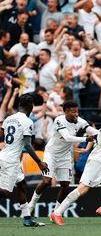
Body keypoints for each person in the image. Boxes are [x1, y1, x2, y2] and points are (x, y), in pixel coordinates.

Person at [28, 100, 98, 214]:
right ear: (66, 111)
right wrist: (85, 139)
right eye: (73, 112)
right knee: (46, 181)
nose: (76, 114)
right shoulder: (59, 120)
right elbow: (67, 137)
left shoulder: (80, 121)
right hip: (51, 154)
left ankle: (56, 213)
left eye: (77, 111)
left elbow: (93, 131)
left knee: (65, 185)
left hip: (65, 156)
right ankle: (31, 204)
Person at [0, 94, 48, 227]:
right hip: (10, 160)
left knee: (22, 185)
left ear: (19, 105)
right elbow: (27, 145)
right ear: (30, 107)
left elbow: (2, 135)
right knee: (5, 193)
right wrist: (39, 162)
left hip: (7, 156)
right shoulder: (28, 122)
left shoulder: (9, 118)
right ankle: (27, 218)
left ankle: (27, 218)